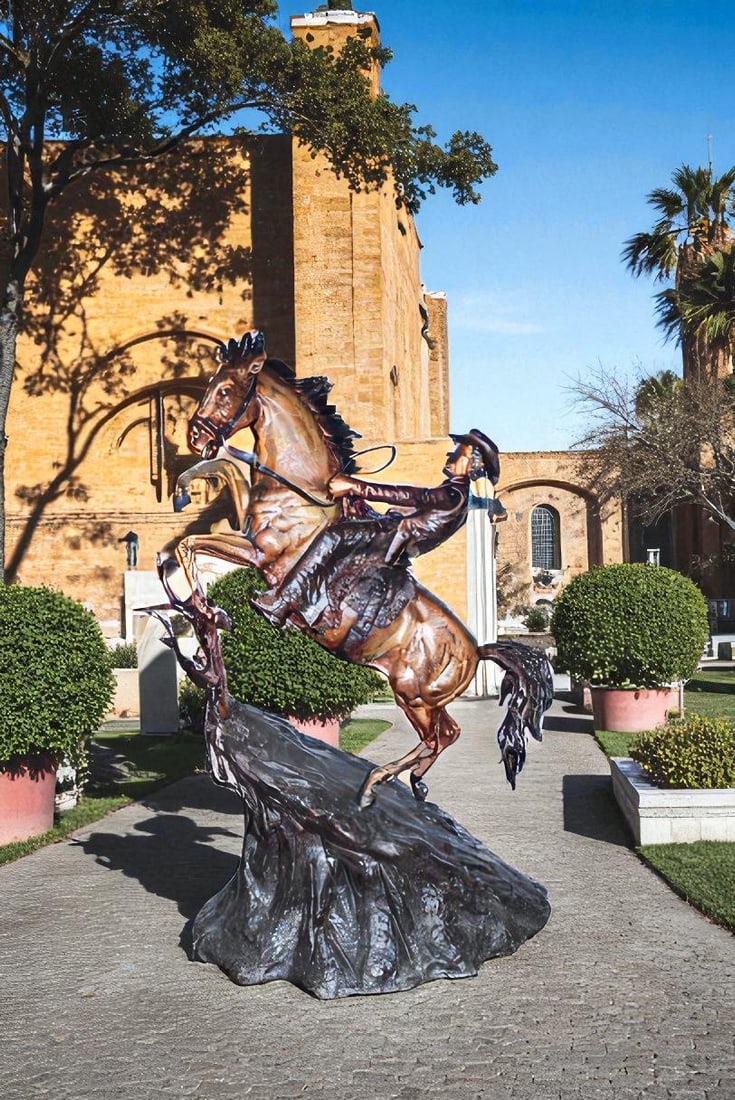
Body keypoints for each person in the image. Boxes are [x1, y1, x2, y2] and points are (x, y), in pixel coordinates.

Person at [251, 428, 500, 630]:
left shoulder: (453, 494)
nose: (450, 456)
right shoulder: (458, 495)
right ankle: (309, 603)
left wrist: (355, 486)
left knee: (332, 537)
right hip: (396, 536)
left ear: (472, 464)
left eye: (458, 453)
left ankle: (282, 603)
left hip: (391, 538)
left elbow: (407, 495)